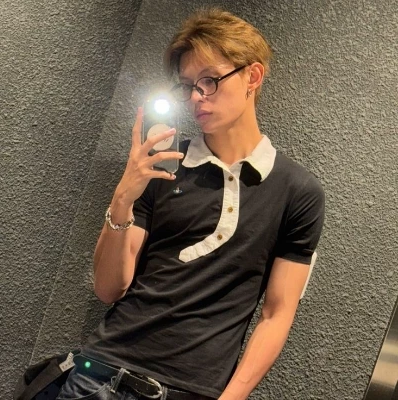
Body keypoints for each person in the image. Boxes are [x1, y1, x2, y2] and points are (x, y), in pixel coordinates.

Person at [57, 7, 325, 400]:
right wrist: (123, 197)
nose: (196, 97)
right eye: (188, 85)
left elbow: (276, 314)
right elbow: (109, 289)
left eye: (210, 80)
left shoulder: (297, 191)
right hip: (99, 376)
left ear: (252, 77)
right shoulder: (163, 166)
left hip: (193, 390)